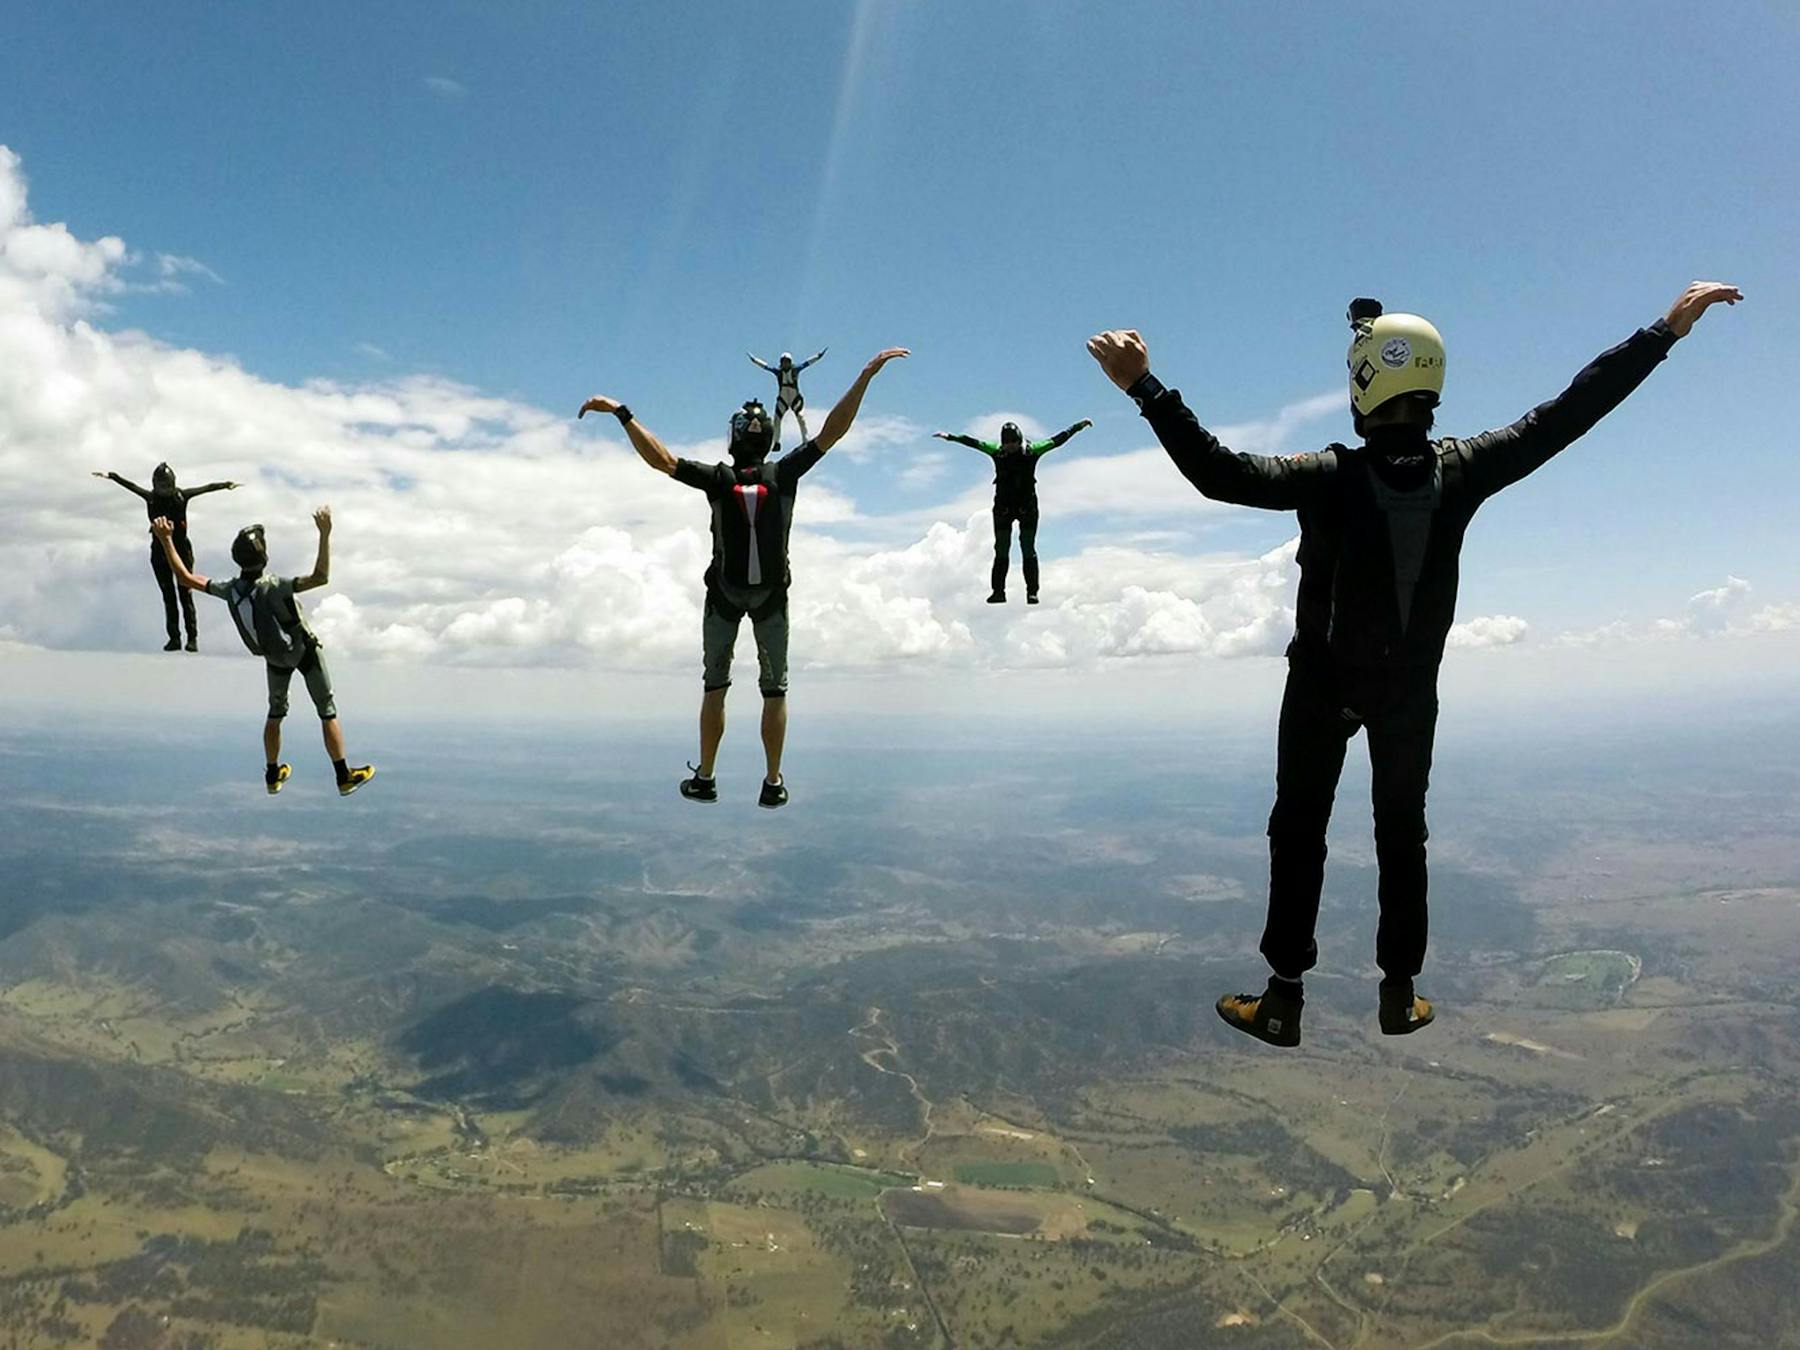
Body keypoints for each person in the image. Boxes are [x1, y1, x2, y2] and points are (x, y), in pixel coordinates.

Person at [1087, 280, 1742, 1047]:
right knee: (1402, 832)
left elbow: (1220, 473)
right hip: (1408, 698)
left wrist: (1146, 388)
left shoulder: (1327, 476)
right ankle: (1399, 995)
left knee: (1299, 831)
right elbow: (1569, 413)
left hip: (1322, 689)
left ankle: (1283, 999)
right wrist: (1663, 333)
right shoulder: (1463, 469)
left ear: (1364, 388)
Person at [580, 347, 909, 807]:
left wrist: (622, 412)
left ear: (733, 437)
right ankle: (773, 782)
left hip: (724, 595)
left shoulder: (717, 479)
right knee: (774, 691)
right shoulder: (783, 474)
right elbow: (832, 432)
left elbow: (662, 460)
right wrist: (865, 377)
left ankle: (707, 777)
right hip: (773, 596)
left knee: (715, 688)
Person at [150, 506, 375, 797]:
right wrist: (324, 533)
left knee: (275, 714)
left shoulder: (229, 589)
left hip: (274, 658)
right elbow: (320, 577)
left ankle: (272, 774)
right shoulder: (277, 586)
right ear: (264, 557)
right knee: (327, 710)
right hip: (303, 651)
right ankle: (343, 775)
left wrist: (166, 539)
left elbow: (185, 578)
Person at [933, 418, 1092, 603]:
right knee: (1001, 549)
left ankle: (1032, 592)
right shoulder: (997, 452)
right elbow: (974, 442)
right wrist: (950, 437)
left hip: (1027, 507)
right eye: (1006, 444)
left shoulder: (1033, 451)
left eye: (1013, 443)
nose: (1010, 447)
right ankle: (998, 592)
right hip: (1003, 507)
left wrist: (1077, 427)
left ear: (1019, 441)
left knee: (1028, 548)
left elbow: (1057, 440)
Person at [93, 462, 239, 650]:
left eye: (167, 486)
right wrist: (112, 476)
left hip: (182, 551)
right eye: (162, 486)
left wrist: (226, 485)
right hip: (159, 551)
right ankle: (175, 638)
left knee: (185, 594)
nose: (164, 490)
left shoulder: (181, 496)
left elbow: (206, 488)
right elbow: (131, 486)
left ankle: (192, 638)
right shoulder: (151, 498)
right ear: (156, 484)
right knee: (168, 596)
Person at [748, 348, 828, 443]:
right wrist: (755, 360)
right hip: (783, 399)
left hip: (795, 398)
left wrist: (818, 356)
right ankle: (776, 442)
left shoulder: (795, 370)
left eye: (787, 362)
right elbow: (766, 367)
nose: (785, 364)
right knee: (777, 420)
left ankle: (805, 440)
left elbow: (807, 363)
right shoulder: (778, 372)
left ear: (790, 362)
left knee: (801, 418)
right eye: (783, 362)